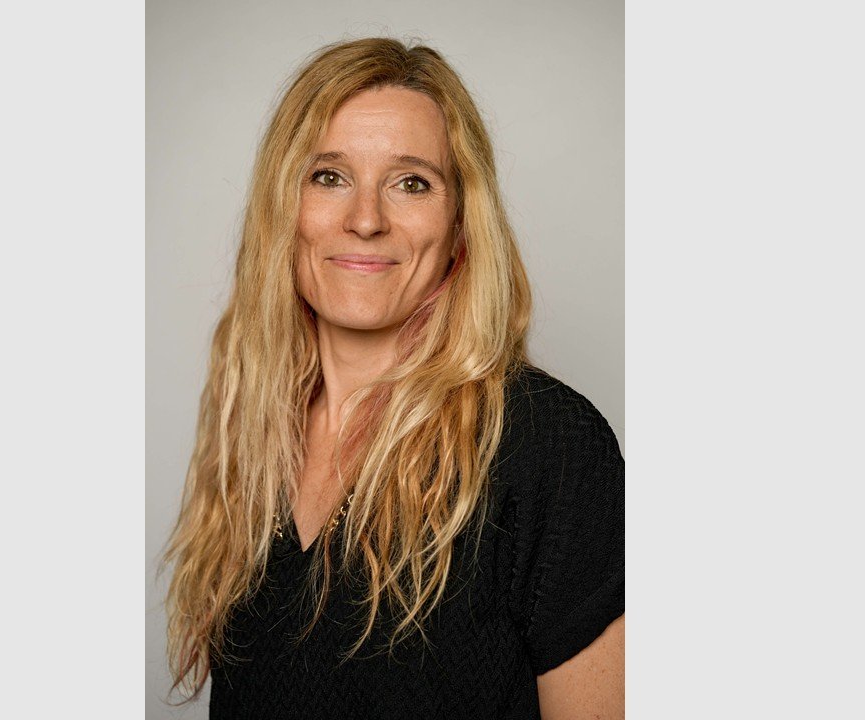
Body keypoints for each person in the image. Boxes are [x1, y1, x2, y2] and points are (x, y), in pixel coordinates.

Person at [163, 37, 624, 719]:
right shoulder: (254, 431)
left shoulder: (548, 446)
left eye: (412, 183)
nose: (366, 220)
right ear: (282, 207)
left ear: (460, 222)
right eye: (329, 176)